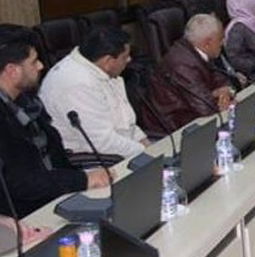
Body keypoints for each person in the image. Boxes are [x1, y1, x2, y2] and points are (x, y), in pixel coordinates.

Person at [0, 26, 110, 218]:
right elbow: (19, 184)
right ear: (12, 70)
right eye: (34, 62)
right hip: (25, 216)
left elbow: (55, 159)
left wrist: (84, 179)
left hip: (57, 196)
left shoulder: (28, 102)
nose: (41, 66)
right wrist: (82, 180)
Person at [39, 26, 149, 160]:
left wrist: (146, 143)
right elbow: (101, 143)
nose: (129, 60)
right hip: (93, 161)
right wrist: (145, 153)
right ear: (108, 61)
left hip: (123, 149)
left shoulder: (103, 70)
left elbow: (125, 123)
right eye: (125, 57)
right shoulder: (77, 83)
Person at [143, 14, 235, 134]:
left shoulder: (197, 51)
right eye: (221, 39)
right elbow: (205, 108)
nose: (222, 43)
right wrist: (219, 97)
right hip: (176, 130)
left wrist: (227, 91)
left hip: (195, 119)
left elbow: (221, 79)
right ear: (207, 43)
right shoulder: (182, 64)